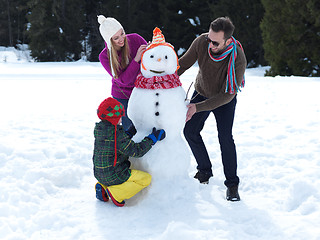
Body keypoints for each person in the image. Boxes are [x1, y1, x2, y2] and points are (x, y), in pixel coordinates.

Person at [177, 17, 247, 201]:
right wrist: (162, 80)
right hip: (202, 91)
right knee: (190, 131)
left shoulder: (238, 58)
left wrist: (198, 107)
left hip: (224, 98)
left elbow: (229, 94)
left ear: (228, 41)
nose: (211, 44)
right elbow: (183, 64)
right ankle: (204, 171)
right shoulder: (202, 42)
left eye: (215, 42)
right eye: (209, 38)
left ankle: (232, 185)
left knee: (225, 138)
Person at [93, 97, 166, 207]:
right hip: (114, 174)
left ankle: (103, 186)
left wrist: (128, 134)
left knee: (110, 176)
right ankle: (116, 193)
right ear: (113, 119)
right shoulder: (117, 135)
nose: (121, 119)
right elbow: (137, 151)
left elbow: (114, 144)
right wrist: (152, 138)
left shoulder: (100, 130)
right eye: (119, 117)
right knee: (145, 179)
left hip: (99, 173)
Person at [98, 15, 147, 130]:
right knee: (130, 131)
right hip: (122, 96)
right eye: (116, 38)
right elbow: (123, 80)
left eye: (122, 33)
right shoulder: (105, 56)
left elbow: (152, 60)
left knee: (146, 128)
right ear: (109, 40)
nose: (121, 39)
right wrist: (136, 59)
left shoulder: (135, 39)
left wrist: (152, 50)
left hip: (142, 91)